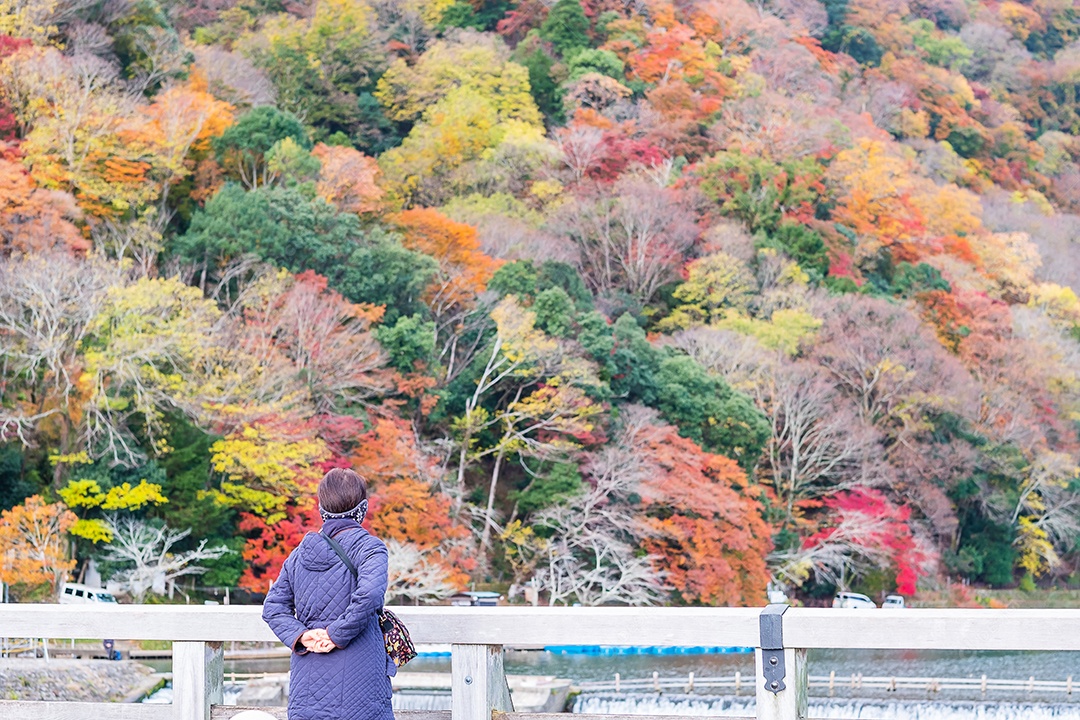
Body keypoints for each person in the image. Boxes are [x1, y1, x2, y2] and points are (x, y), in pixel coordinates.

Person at [262, 468, 394, 720]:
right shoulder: (370, 548)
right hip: (361, 677)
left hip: (309, 676)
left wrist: (302, 636)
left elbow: (273, 607)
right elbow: (369, 595)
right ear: (362, 507)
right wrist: (335, 634)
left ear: (322, 508)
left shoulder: (300, 553)